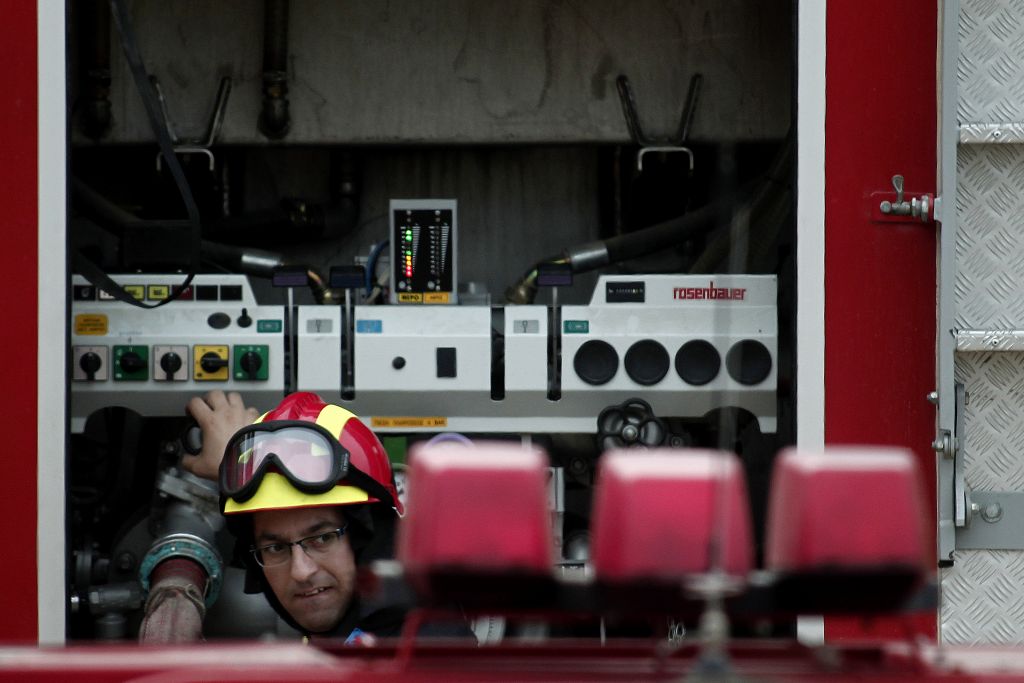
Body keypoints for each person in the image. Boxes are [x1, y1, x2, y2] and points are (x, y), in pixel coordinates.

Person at [182, 390, 470, 642]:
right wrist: (236, 468)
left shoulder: (424, 656)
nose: (301, 571)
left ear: (368, 540)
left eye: (322, 538)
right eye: (276, 548)